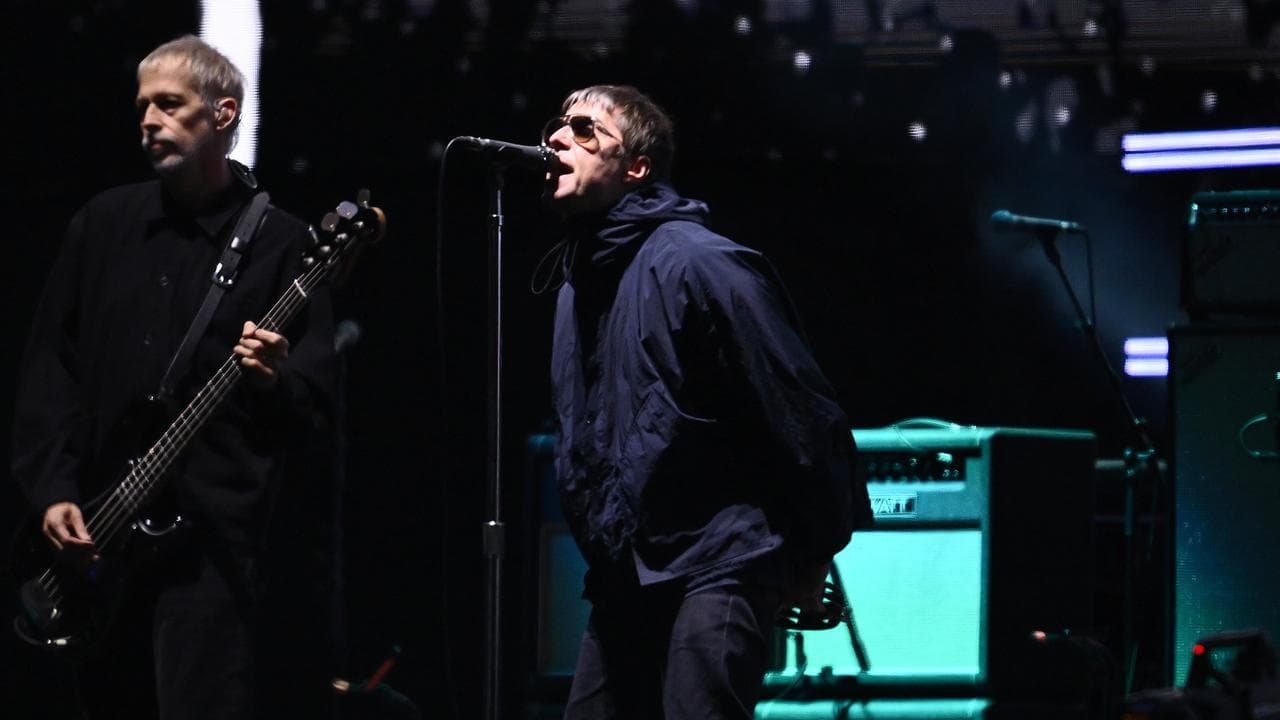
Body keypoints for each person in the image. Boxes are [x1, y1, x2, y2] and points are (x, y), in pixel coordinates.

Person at [11, 35, 336, 718]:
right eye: (141, 108)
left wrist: (273, 379)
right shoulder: (103, 225)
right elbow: (49, 371)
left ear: (223, 114)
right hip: (100, 536)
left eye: (168, 104)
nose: (149, 121)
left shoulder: (282, 243)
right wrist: (53, 489)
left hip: (212, 552)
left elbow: (317, 404)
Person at [541, 84, 873, 719]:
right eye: (558, 126)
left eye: (584, 130)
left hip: (719, 557)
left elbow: (796, 405)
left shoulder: (700, 263)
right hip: (627, 566)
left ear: (636, 168)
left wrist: (816, 547)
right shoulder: (576, 288)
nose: (557, 138)